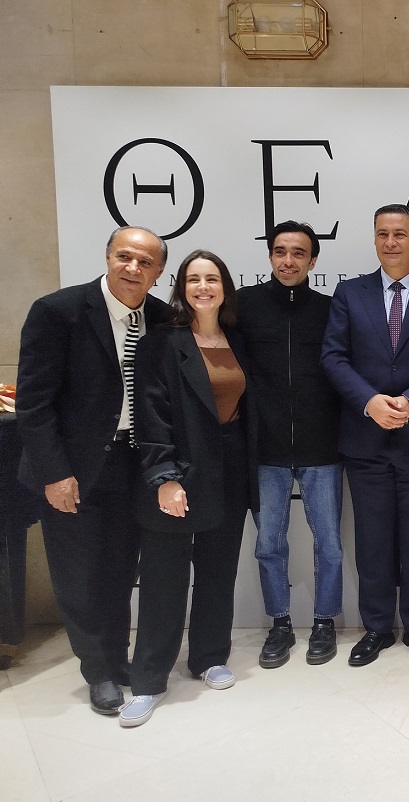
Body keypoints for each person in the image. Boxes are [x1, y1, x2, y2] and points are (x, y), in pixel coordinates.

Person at [16, 226, 169, 715]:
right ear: (107, 257)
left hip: (132, 465)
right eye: (124, 257)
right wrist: (54, 473)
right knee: (79, 574)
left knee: (120, 570)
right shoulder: (58, 311)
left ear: (159, 272)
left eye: (145, 262)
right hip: (73, 469)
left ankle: (117, 658)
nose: (133, 268)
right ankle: (97, 670)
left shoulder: (162, 318)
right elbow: (34, 403)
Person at [321, 204, 409, 667]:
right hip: (365, 439)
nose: (390, 242)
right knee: (373, 540)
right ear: (374, 239)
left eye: (400, 234)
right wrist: (370, 402)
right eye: (382, 233)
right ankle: (377, 628)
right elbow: (333, 357)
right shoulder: (349, 293)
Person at [120, 250, 259, 727]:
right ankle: (148, 680)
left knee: (219, 569)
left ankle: (209, 656)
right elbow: (150, 415)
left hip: (230, 469)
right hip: (179, 467)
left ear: (224, 288)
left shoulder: (236, 339)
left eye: (212, 279)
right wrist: (165, 478)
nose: (203, 287)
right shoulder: (160, 343)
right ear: (181, 288)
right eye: (193, 279)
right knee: (164, 578)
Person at [237, 221, 345, 668]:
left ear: (313, 260)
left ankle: (324, 621)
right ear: (270, 256)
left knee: (330, 544)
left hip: (323, 444)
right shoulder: (242, 305)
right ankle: (279, 623)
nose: (288, 260)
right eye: (280, 251)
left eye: (298, 253)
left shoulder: (331, 308)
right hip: (265, 446)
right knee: (268, 543)